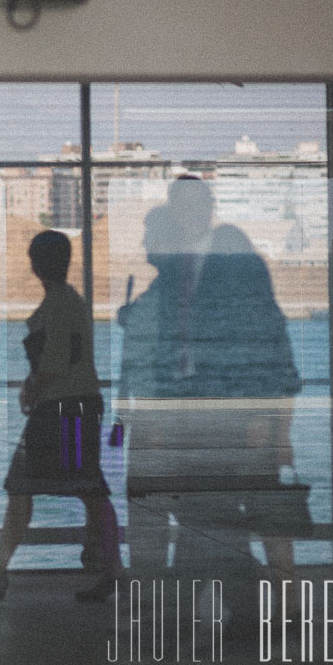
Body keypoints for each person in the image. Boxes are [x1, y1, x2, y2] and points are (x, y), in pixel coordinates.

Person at [119, 177, 302, 630]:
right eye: (178, 207)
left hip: (227, 413)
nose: (185, 216)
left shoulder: (235, 262)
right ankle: (238, 610)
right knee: (214, 514)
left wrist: (266, 416)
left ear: (208, 209)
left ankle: (226, 609)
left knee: (220, 513)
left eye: (192, 206)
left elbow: (263, 338)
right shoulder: (175, 270)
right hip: (193, 413)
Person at [0, 230, 121, 602]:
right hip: (73, 408)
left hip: (64, 409)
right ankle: (108, 568)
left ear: (35, 264)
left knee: (43, 486)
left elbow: (56, 361)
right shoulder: (67, 301)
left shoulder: (60, 304)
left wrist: (32, 387)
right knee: (80, 487)